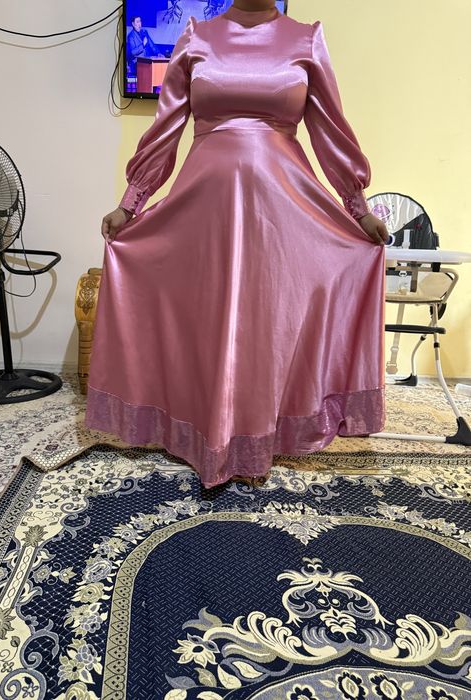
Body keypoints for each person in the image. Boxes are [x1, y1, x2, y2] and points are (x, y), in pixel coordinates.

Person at [86, 0, 390, 489]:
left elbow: (329, 129)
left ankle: (257, 440)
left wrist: (358, 208)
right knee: (207, 320)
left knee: (266, 325)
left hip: (283, 209)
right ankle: (207, 437)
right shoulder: (196, 37)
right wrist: (131, 203)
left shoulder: (306, 38)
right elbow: (166, 128)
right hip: (204, 207)